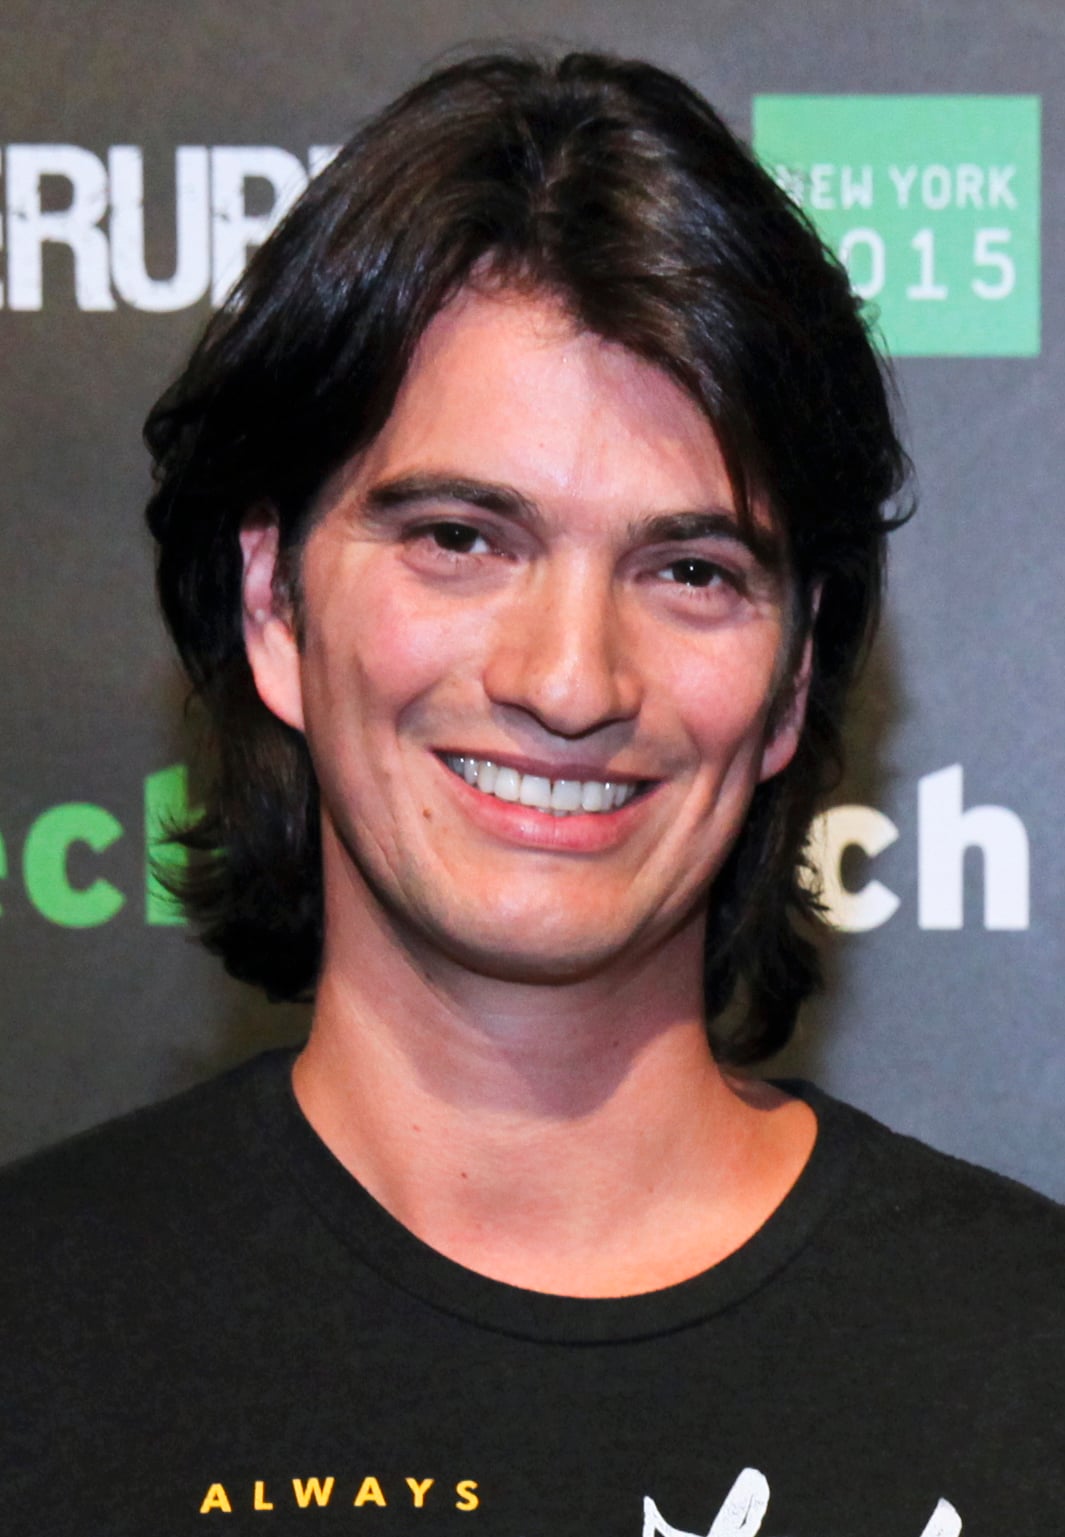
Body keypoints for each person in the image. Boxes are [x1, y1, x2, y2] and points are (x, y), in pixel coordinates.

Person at [1, 50, 1062, 1537]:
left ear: (793, 674)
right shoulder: (36, 1344)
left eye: (689, 569)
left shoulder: (1026, 1363)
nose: (570, 679)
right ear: (271, 603)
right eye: (459, 538)